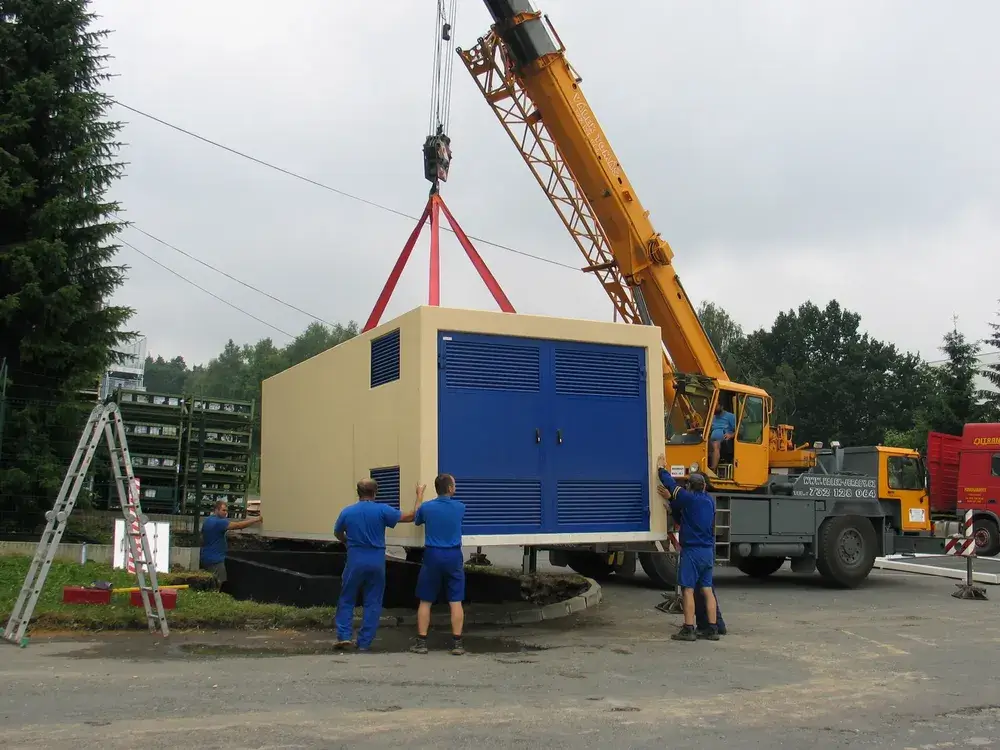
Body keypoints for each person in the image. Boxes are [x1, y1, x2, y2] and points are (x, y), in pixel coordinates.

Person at [333, 478, 423, 652]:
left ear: (358, 493)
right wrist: (419, 494)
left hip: (355, 558)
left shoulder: (347, 512)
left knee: (347, 598)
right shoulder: (382, 510)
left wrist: (347, 541)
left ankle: (344, 636)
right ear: (375, 493)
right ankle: (364, 642)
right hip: (376, 560)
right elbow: (412, 516)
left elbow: (337, 532)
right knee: (373, 601)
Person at [656, 455, 719, 641]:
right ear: (705, 487)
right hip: (708, 551)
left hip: (692, 551)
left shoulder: (688, 499)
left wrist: (661, 468)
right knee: (707, 589)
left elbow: (670, 484)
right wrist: (673, 503)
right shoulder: (710, 502)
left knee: (688, 590)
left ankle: (689, 628)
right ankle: (712, 628)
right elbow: (683, 510)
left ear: (689, 487)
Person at [410, 473, 467, 656]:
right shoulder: (460, 507)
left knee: (425, 600)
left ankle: (422, 642)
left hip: (432, 554)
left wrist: (419, 495)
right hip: (453, 555)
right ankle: (457, 643)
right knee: (455, 601)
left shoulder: (427, 508)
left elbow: (417, 517)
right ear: (450, 489)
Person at [200, 501, 263, 589]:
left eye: (226, 511)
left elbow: (203, 537)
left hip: (206, 557)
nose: (226, 513)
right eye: (223, 510)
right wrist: (256, 519)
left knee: (209, 584)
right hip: (215, 560)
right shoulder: (219, 522)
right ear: (216, 510)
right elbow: (239, 525)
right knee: (218, 584)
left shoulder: (208, 520)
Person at [709, 401, 736, 472]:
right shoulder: (712, 417)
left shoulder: (730, 416)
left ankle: (712, 470)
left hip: (725, 441)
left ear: (722, 406)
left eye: (716, 406)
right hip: (712, 440)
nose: (714, 408)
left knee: (715, 444)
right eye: (713, 406)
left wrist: (731, 435)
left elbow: (740, 430)